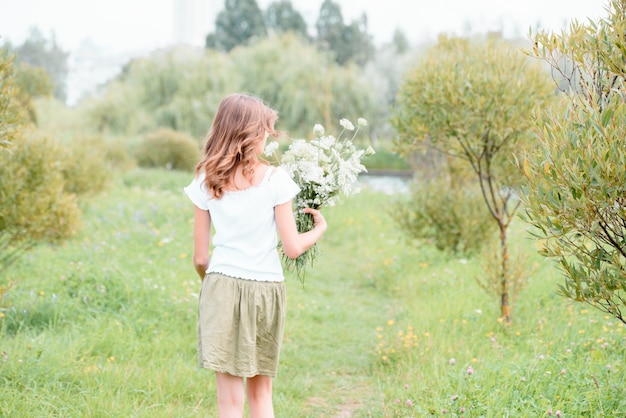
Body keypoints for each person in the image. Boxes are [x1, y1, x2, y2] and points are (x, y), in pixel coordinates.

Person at [184, 93, 327, 418]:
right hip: (265, 288)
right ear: (252, 133)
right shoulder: (276, 180)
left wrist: (214, 285)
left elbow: (200, 259)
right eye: (265, 129)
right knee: (261, 396)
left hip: (220, 286)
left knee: (228, 403)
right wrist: (319, 229)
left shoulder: (205, 179)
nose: (268, 135)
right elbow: (292, 247)